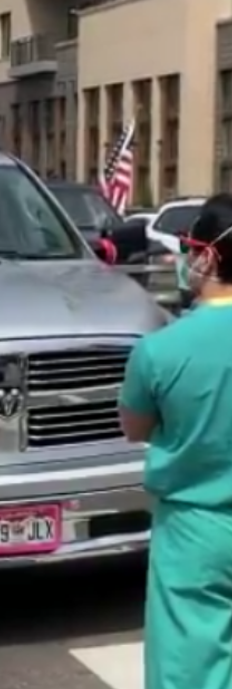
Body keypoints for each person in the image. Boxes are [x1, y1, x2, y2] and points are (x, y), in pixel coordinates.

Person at [119, 193, 232, 689]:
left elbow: (135, 427)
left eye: (189, 248)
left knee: (188, 667)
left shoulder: (160, 351)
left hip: (195, 528)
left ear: (206, 257)